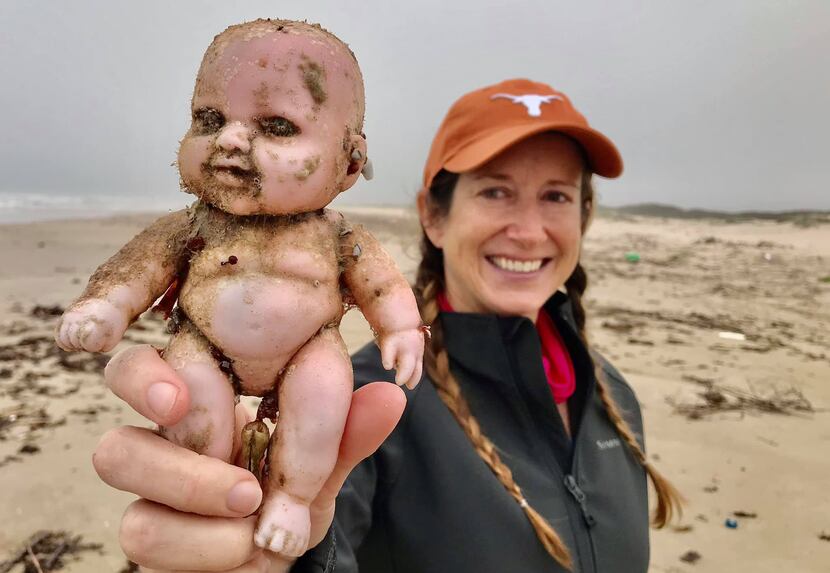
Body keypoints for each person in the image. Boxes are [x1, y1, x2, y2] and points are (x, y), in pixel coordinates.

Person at [93, 78, 682, 572]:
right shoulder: (368, 403)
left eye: (556, 196)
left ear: (584, 217)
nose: (528, 231)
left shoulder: (612, 394)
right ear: (434, 215)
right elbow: (321, 543)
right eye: (496, 191)